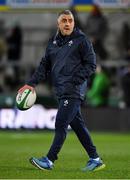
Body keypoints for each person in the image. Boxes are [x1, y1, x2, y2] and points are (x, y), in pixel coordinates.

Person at [18, 10, 105, 172]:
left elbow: (91, 64)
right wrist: (31, 84)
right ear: (58, 24)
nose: (67, 23)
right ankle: (95, 159)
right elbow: (44, 66)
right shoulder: (53, 43)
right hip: (61, 91)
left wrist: (75, 81)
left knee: (60, 124)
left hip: (73, 90)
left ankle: (49, 160)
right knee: (78, 126)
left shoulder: (81, 40)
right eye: (64, 20)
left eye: (70, 20)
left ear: (74, 23)